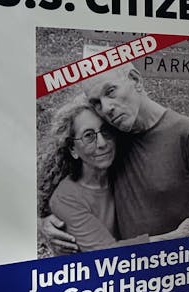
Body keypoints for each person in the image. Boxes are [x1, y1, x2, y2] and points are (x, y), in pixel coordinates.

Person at [42, 64, 189, 252]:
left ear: (135, 80)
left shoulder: (185, 133)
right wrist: (45, 223)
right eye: (97, 102)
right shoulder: (112, 141)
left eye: (110, 91)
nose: (106, 108)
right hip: (129, 266)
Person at [38, 96, 153, 253]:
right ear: (72, 149)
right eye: (88, 136)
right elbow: (107, 253)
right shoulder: (65, 198)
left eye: (105, 131)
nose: (102, 143)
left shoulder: (122, 172)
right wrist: (176, 236)